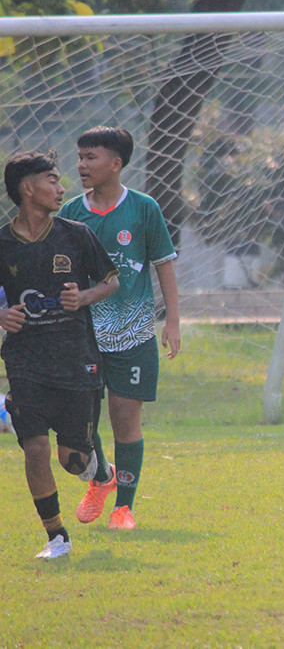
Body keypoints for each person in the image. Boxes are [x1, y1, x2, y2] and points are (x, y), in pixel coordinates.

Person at [60, 126, 181, 531]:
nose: (81, 165)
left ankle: (123, 508)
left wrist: (173, 322)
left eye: (90, 157)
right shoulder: (72, 213)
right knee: (82, 421)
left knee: (126, 421)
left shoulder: (144, 208)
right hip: (84, 335)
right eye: (80, 156)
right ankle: (102, 478)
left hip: (133, 335)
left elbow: (163, 263)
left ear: (116, 163)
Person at [0, 150, 120, 559]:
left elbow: (111, 281)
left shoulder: (75, 234)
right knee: (34, 447)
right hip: (25, 358)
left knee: (73, 460)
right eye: (52, 180)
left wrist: (82, 297)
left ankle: (100, 473)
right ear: (27, 188)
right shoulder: (2, 241)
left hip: (76, 357)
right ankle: (57, 537)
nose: (62, 187)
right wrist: (2, 316)